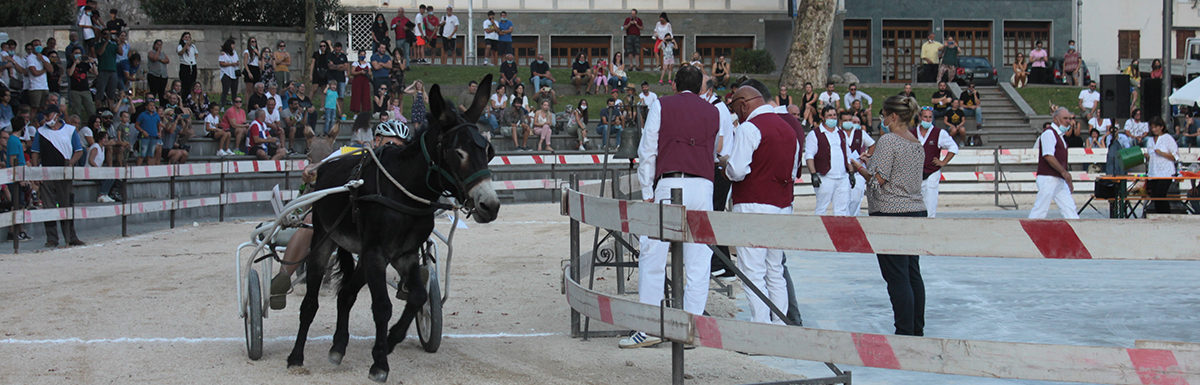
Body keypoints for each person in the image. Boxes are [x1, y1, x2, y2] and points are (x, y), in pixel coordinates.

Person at [620, 65, 717, 349]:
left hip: (670, 182)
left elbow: (647, 149)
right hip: (703, 185)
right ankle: (691, 328)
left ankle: (649, 328)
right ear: (701, 88)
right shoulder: (712, 111)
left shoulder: (661, 105)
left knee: (652, 253)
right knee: (699, 260)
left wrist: (647, 191)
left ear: (674, 85)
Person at [270, 119, 413, 309]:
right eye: (391, 144)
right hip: (336, 208)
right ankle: (284, 277)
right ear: (377, 140)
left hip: (370, 218)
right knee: (310, 222)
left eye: (400, 146)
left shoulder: (402, 165)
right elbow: (318, 167)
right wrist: (310, 170)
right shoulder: (351, 152)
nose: (395, 150)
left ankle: (408, 277)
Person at [723, 85, 799, 325]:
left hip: (752, 203)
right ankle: (779, 324)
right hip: (782, 204)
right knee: (775, 268)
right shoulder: (789, 129)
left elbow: (736, 171)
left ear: (744, 104)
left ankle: (761, 326)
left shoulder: (749, 128)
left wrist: (725, 163)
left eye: (736, 109)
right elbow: (794, 170)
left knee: (752, 271)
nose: (737, 115)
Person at [852, 95, 926, 336]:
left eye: (883, 115)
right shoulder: (916, 142)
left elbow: (879, 181)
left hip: (890, 212)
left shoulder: (889, 141)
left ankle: (903, 330)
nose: (881, 120)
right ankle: (916, 327)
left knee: (896, 276)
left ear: (893, 116)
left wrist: (860, 168)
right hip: (915, 209)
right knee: (912, 272)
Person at [30, 105, 86, 247]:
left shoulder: (70, 130)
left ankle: (71, 236)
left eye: (49, 115)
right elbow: (35, 152)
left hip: (64, 171)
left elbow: (78, 151)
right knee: (48, 206)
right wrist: (36, 171)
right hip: (47, 171)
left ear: (56, 115)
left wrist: (70, 164)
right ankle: (52, 238)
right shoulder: (41, 132)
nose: (46, 118)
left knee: (66, 204)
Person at [1028, 108, 1080, 219]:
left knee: (1069, 207)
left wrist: (1063, 174)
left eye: (1069, 118)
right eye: (1065, 118)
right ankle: (1030, 230)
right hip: (1048, 177)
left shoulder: (1059, 135)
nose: (1068, 121)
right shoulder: (1049, 133)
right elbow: (1048, 156)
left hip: (1058, 178)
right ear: (1056, 119)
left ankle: (1076, 228)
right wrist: (1064, 172)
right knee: (1041, 208)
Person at [806, 106, 853, 216]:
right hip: (825, 177)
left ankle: (840, 230)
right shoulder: (815, 134)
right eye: (829, 116)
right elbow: (809, 156)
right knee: (822, 207)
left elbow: (847, 154)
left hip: (842, 177)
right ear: (823, 117)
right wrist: (813, 174)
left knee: (842, 209)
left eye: (834, 115)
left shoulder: (841, 133)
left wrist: (851, 172)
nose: (832, 118)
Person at [913, 106, 958, 217]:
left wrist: (943, 162)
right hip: (915, 173)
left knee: (930, 202)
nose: (927, 120)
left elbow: (953, 147)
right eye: (925, 117)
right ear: (920, 117)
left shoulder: (939, 133)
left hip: (932, 171)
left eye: (930, 117)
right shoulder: (912, 133)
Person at [1145, 116, 1179, 214]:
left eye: (1156, 127)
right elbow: (1151, 155)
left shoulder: (1168, 138)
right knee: (1155, 196)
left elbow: (1175, 156)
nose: (1154, 129)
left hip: (1166, 172)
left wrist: (1162, 153)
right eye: (1152, 127)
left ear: (1161, 127)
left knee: (1160, 194)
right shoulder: (1150, 140)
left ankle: (1165, 213)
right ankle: (1159, 214)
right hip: (1154, 172)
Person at [844, 113, 875, 216]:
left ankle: (853, 217)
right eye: (853, 122)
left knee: (856, 199)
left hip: (858, 170)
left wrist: (867, 155)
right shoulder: (839, 133)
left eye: (858, 122)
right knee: (844, 199)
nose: (854, 124)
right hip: (844, 171)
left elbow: (872, 145)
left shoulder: (860, 133)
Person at [67, 47, 97, 122]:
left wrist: (92, 63)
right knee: (77, 111)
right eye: (76, 53)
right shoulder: (70, 63)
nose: (78, 54)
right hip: (75, 90)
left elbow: (95, 73)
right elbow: (70, 73)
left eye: (79, 53)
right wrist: (75, 63)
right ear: (72, 54)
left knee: (91, 109)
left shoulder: (84, 64)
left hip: (85, 90)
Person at [218, 39, 239, 107]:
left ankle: (234, 105)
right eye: (232, 44)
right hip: (226, 74)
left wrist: (236, 64)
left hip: (234, 74)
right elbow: (221, 63)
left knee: (234, 91)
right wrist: (231, 64)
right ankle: (222, 105)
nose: (233, 46)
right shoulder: (223, 53)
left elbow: (237, 61)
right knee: (225, 91)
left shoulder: (234, 52)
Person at [350, 49, 372, 113]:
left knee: (366, 96)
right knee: (356, 96)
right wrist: (360, 72)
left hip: (365, 82)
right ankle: (356, 111)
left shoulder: (368, 64)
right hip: (357, 82)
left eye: (364, 55)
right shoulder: (355, 63)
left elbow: (370, 73)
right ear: (358, 55)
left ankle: (365, 111)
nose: (362, 56)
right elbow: (352, 72)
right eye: (361, 54)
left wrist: (367, 72)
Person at [241, 37, 262, 104]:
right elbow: (245, 63)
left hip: (256, 69)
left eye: (255, 41)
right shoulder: (247, 52)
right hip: (250, 68)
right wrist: (249, 72)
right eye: (252, 42)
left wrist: (258, 53)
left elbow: (261, 59)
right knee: (249, 90)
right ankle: (247, 104)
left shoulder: (257, 52)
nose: (254, 43)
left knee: (255, 89)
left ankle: (254, 103)